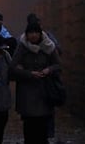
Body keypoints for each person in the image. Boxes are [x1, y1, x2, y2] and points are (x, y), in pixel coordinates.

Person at [11, 21, 61, 144]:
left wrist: (48, 70)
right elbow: (12, 67)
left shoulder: (48, 46)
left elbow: (58, 65)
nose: (33, 35)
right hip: (27, 91)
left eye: (36, 33)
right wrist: (29, 73)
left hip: (44, 90)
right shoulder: (22, 47)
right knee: (29, 125)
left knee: (42, 125)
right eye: (30, 33)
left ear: (40, 34)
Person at [25, 13, 61, 142]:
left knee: (39, 114)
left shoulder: (25, 40)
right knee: (45, 113)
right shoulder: (48, 38)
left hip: (42, 81)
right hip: (43, 82)